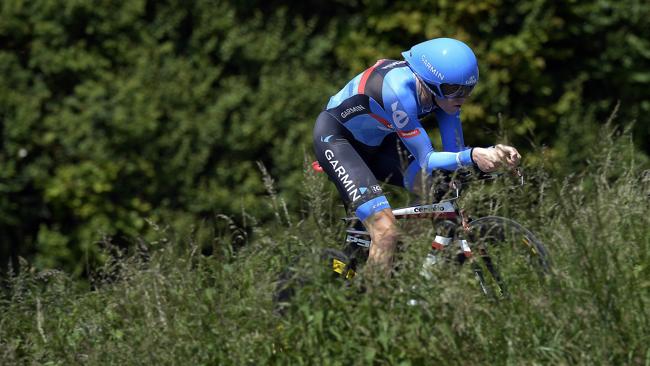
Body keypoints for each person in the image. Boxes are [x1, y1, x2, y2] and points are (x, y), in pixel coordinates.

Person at [312, 38, 521, 275]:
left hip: (379, 144)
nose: (461, 98)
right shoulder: (398, 91)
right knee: (386, 232)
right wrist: (474, 155)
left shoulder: (444, 97)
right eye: (454, 90)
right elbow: (427, 159)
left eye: (467, 90)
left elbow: (455, 155)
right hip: (338, 140)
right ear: (429, 81)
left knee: (440, 192)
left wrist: (493, 154)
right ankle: (373, 306)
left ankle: (399, 272)